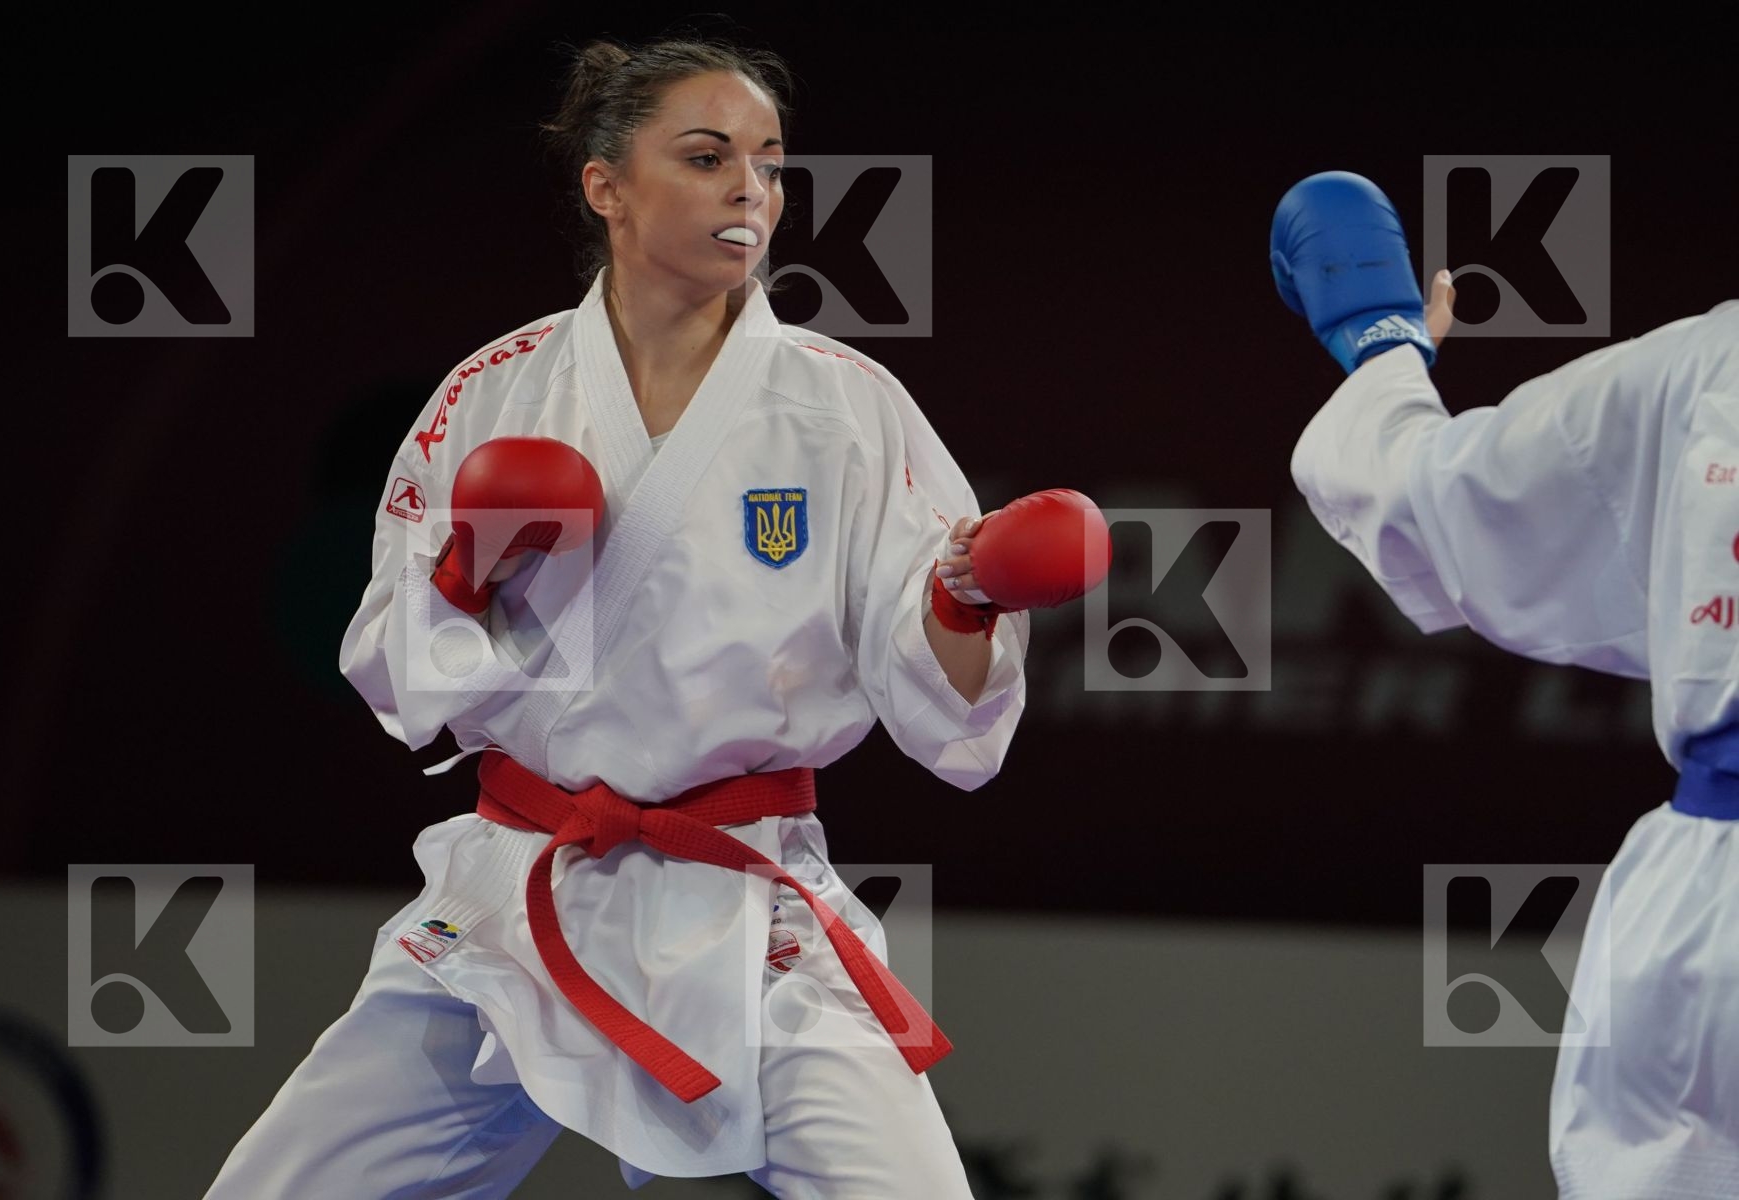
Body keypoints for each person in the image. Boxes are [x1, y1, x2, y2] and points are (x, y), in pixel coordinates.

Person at [206, 34, 1106, 1199]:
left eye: (772, 164)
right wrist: (463, 579)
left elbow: (937, 699)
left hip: (745, 903)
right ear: (606, 186)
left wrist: (961, 592)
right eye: (707, 156)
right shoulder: (494, 393)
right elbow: (389, 668)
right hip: (519, 897)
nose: (753, 189)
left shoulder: (846, 410)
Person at [1270, 171, 1737, 1199]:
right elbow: (1448, 498)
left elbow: (1430, 500)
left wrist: (1380, 343)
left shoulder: (1713, 367)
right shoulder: (1712, 367)